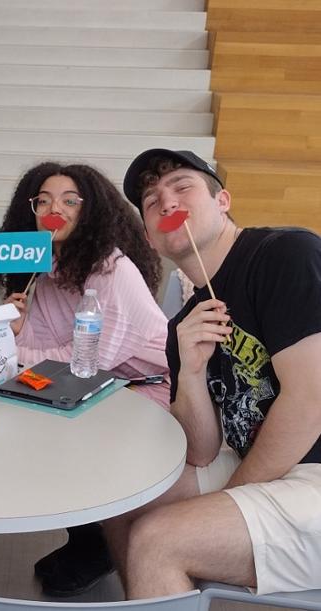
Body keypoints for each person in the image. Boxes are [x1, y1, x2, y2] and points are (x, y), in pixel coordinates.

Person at [100, 148, 321, 598]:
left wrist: (231, 495)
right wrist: (194, 371)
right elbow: (200, 451)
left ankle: (161, 570)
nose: (166, 202)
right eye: (151, 201)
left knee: (157, 540)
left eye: (182, 187)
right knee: (121, 501)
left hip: (313, 472)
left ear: (222, 202)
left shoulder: (285, 255)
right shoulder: (184, 323)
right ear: (149, 233)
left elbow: (311, 401)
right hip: (262, 464)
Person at [0, 161, 170, 597]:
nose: (56, 209)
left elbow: (83, 362)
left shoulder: (114, 272)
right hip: (96, 392)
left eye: (70, 200)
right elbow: (36, 351)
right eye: (45, 201)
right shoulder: (45, 271)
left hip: (148, 394)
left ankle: (99, 545)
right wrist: (11, 329)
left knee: (66, 438)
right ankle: (87, 540)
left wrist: (11, 352)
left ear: (90, 212)